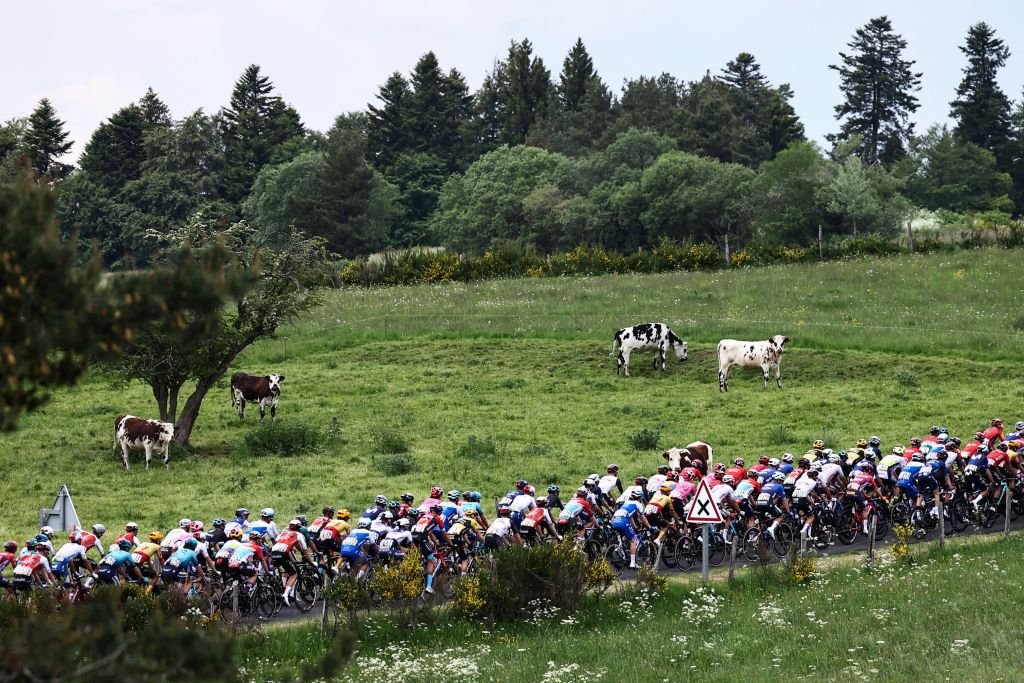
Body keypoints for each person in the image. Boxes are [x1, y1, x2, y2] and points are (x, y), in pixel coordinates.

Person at [271, 519, 315, 605]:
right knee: (294, 574)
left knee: (284, 570)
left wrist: (294, 561)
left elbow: (288, 549)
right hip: (283, 554)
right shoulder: (299, 535)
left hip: (274, 552)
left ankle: (276, 585)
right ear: (299, 528)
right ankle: (286, 594)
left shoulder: (282, 534)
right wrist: (311, 562)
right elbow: (305, 550)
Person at [612, 490, 651, 568]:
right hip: (623, 521)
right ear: (640, 498)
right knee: (633, 540)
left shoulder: (626, 502)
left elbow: (630, 517)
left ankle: (619, 548)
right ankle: (633, 563)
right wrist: (649, 527)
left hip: (614, 520)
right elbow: (642, 517)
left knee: (628, 534)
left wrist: (635, 528)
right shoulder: (638, 504)